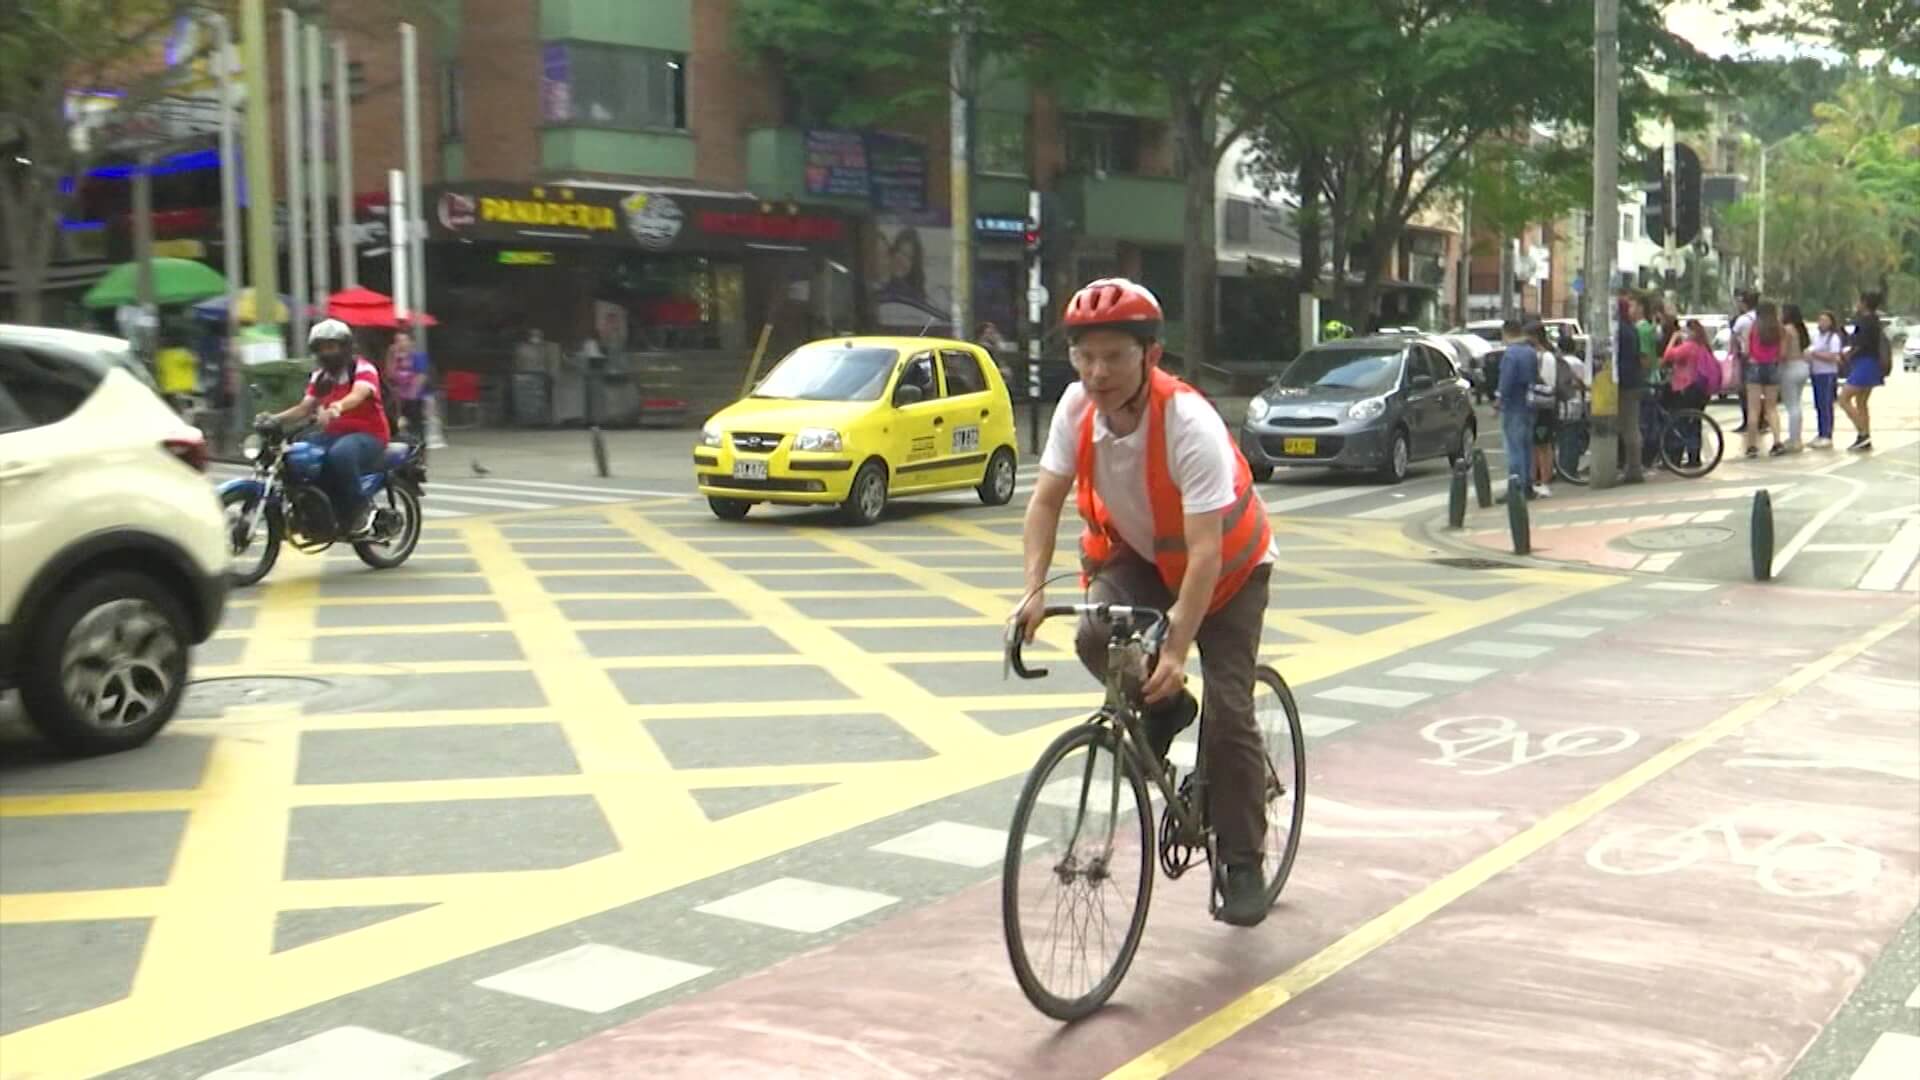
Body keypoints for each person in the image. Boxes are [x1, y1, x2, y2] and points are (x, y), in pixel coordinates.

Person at [1014, 278, 1278, 927]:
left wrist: (1179, 646)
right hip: (1137, 556)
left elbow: (1207, 552)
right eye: (1085, 356)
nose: (1097, 373)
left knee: (1230, 713)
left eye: (1114, 356)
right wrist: (1030, 592)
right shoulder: (1075, 409)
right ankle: (1164, 709)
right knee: (1090, 635)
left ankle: (1243, 862)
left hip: (1229, 570)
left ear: (1149, 356)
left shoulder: (1189, 423)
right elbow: (1044, 502)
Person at [257, 319, 391, 536]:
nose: (326, 352)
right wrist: (272, 419)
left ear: (345, 347)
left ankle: (359, 510)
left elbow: (358, 395)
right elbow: (304, 408)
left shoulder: (363, 368)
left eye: (331, 346)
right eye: (321, 348)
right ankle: (314, 512)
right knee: (296, 455)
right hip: (333, 434)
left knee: (341, 455)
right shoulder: (320, 376)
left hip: (369, 434)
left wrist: (338, 405)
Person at [1661, 320, 1717, 468]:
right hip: (1701, 391)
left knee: (1680, 422)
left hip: (1685, 388)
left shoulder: (1688, 347)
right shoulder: (1703, 347)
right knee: (1695, 422)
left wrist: (1673, 339)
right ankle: (1694, 456)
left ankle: (1675, 457)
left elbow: (1668, 356)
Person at [1838, 291, 1887, 451]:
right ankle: (1863, 438)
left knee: (1844, 399)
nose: (1856, 304)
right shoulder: (1875, 321)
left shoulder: (1864, 322)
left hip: (1864, 363)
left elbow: (1860, 344)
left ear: (1864, 303)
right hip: (1871, 363)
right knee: (1861, 402)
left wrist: (1848, 353)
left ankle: (1863, 433)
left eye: (1859, 301)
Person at [1494, 318, 1537, 498]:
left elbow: (1506, 380)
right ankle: (1527, 484)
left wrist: (1498, 400)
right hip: (1529, 402)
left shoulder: (1511, 354)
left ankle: (1516, 486)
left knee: (1513, 447)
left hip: (1513, 403)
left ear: (1506, 333)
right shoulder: (1530, 351)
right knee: (1526, 446)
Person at [1744, 301, 1785, 457]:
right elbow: (1782, 354)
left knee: (1754, 409)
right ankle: (1777, 442)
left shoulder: (1753, 327)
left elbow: (1747, 351)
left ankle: (1752, 446)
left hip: (1755, 366)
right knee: (1771, 408)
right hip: (1772, 367)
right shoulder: (1779, 329)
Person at [1615, 294, 1647, 483]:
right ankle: (1632, 466)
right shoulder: (1630, 328)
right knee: (1629, 425)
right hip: (1632, 380)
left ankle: (1634, 468)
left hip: (1625, 383)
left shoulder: (1620, 330)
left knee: (1629, 427)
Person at [1807, 311, 1848, 449]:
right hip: (1815, 372)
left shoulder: (1833, 338)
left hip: (1828, 373)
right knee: (1818, 404)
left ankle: (1827, 435)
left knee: (1826, 404)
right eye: (1820, 320)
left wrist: (1816, 355)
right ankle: (1820, 433)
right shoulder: (1816, 336)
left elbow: (1835, 357)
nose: (1821, 323)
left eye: (1825, 320)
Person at [1778, 304, 1812, 453]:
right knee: (1796, 404)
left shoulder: (1787, 330)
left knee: (1791, 405)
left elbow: (1783, 353)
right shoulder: (1800, 330)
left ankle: (1794, 439)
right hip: (1802, 365)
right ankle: (1796, 437)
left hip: (1790, 367)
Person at [385, 329, 428, 438]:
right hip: (398, 397)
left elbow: (421, 377)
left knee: (415, 425)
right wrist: (391, 357)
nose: (401, 344)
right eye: (398, 341)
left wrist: (410, 396)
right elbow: (390, 375)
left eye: (404, 340)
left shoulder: (418, 356)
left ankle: (418, 447)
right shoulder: (395, 358)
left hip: (414, 397)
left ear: (411, 342)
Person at [1730, 291, 1759, 433]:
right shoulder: (1762, 318)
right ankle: (1760, 420)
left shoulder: (1742, 320)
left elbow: (1733, 337)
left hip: (1746, 357)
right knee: (1759, 391)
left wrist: (1733, 354)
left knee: (1744, 391)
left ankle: (1748, 421)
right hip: (1762, 357)